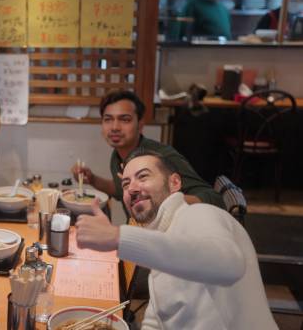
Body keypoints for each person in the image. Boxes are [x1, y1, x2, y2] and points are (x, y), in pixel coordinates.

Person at [75, 149, 277, 329]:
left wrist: (119, 237)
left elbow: (229, 265)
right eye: (126, 184)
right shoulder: (164, 242)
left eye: (143, 177)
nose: (132, 189)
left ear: (175, 183)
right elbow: (157, 318)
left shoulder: (201, 214)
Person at [71, 90, 224, 213]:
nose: (115, 127)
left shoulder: (161, 157)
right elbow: (119, 190)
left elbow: (214, 199)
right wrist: (92, 179)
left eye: (125, 119)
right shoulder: (118, 155)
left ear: (140, 125)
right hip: (138, 229)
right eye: (108, 119)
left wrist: (160, 197)